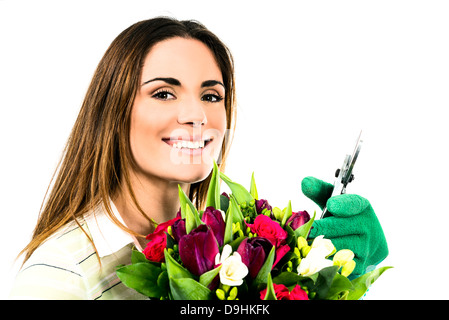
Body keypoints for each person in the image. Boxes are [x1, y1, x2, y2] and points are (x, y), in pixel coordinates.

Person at [10, 17, 387, 300]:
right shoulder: (58, 276)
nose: (197, 115)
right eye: (163, 93)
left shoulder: (240, 246)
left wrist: (338, 275)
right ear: (114, 110)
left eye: (210, 96)